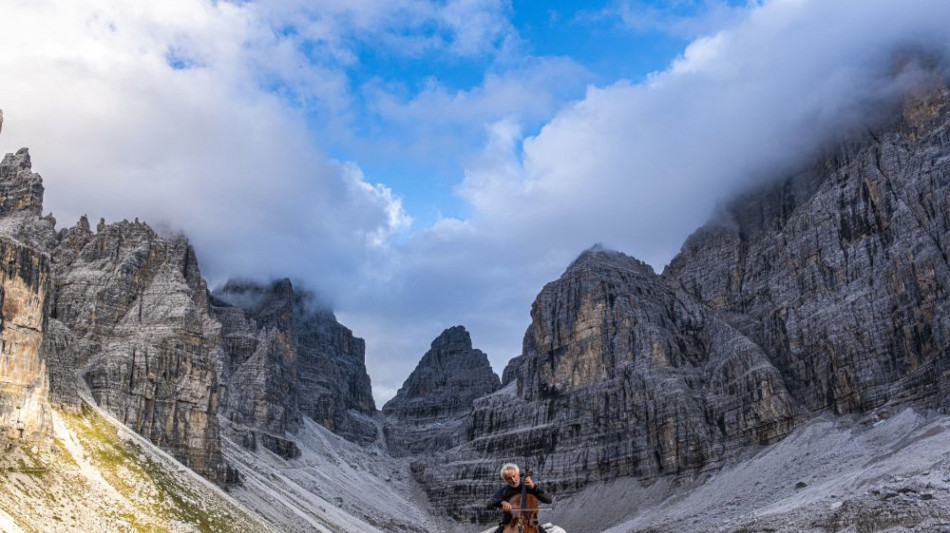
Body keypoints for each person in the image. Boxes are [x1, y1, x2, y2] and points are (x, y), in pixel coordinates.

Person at [486, 463, 553, 533]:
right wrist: (501, 502)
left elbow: (549, 500)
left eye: (514, 476)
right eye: (509, 478)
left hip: (530, 524)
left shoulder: (529, 487)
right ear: (505, 480)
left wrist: (534, 487)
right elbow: (489, 503)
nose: (513, 479)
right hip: (509, 524)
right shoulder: (504, 491)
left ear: (518, 474)